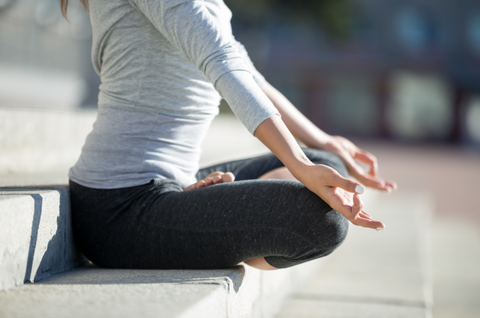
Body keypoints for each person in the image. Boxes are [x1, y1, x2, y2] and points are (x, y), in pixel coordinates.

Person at [62, 0, 397, 271]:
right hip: (120, 208)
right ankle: (230, 232)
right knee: (320, 222)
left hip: (174, 183)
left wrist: (321, 141)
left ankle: (219, 224)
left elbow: (247, 73)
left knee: (328, 163)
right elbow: (221, 62)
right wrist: (298, 164)